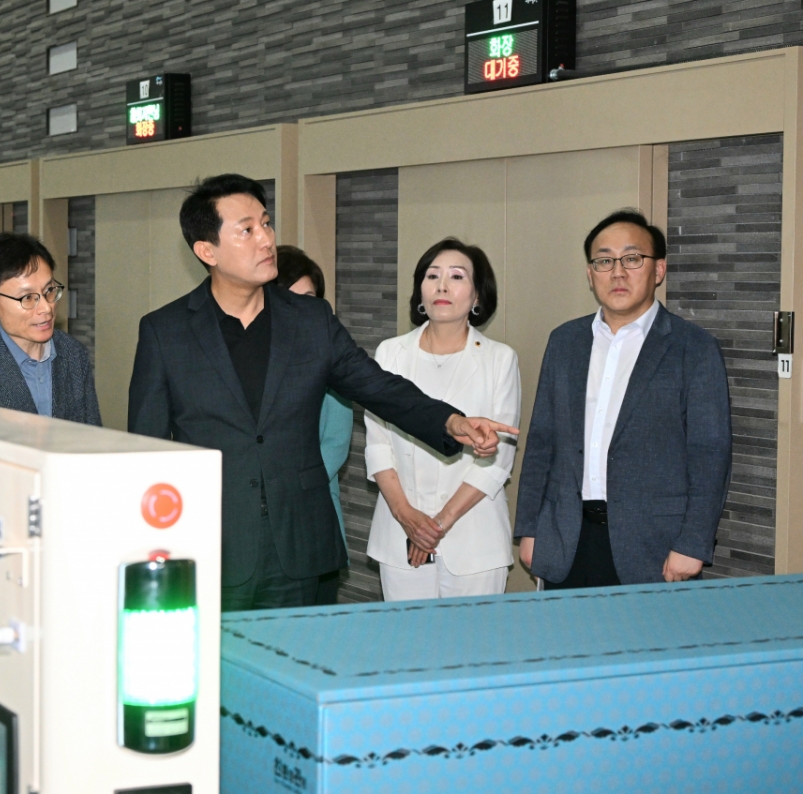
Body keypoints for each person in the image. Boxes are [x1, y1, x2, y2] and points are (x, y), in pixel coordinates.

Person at [128, 174, 514, 611]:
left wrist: (451, 421)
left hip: (299, 542)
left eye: (266, 223)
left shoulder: (309, 319)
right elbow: (147, 451)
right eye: (247, 230)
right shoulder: (166, 332)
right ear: (207, 251)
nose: (266, 239)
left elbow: (378, 386)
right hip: (211, 542)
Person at [514, 209, 732, 588]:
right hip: (566, 540)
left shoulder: (693, 348)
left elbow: (710, 454)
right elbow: (542, 442)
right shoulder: (565, 342)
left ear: (658, 270)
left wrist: (693, 543)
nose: (617, 272)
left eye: (632, 259)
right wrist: (530, 529)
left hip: (655, 548)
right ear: (590, 274)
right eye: (604, 261)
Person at [366, 239, 521, 600]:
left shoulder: (499, 359)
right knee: (407, 636)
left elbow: (498, 461)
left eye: (457, 276)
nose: (442, 286)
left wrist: (434, 527)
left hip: (474, 540)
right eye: (432, 276)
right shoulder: (390, 353)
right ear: (420, 290)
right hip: (400, 535)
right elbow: (378, 446)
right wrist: (407, 517)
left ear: (478, 295)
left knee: (473, 637)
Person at [0, 232, 100, 425]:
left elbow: (92, 436)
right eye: (28, 298)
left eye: (49, 290)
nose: (46, 308)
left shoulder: (74, 354)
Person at [273, 245, 354, 605]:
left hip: (311, 519)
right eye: (289, 298)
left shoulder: (329, 357)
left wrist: (276, 484)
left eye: (309, 299)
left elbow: (334, 445)